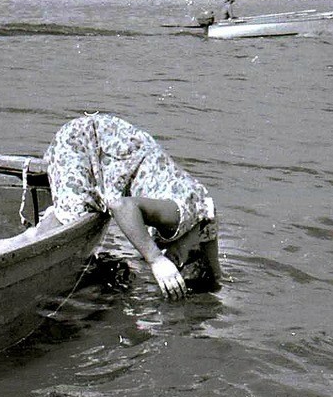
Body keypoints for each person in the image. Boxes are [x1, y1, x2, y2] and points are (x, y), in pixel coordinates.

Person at [28, 113, 222, 300]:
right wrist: (156, 259)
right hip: (84, 141)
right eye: (184, 259)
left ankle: (60, 206)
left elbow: (216, 276)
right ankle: (17, 243)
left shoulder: (206, 220)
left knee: (89, 209)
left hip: (110, 146)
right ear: (197, 246)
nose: (176, 261)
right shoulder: (180, 216)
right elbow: (121, 206)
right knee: (70, 222)